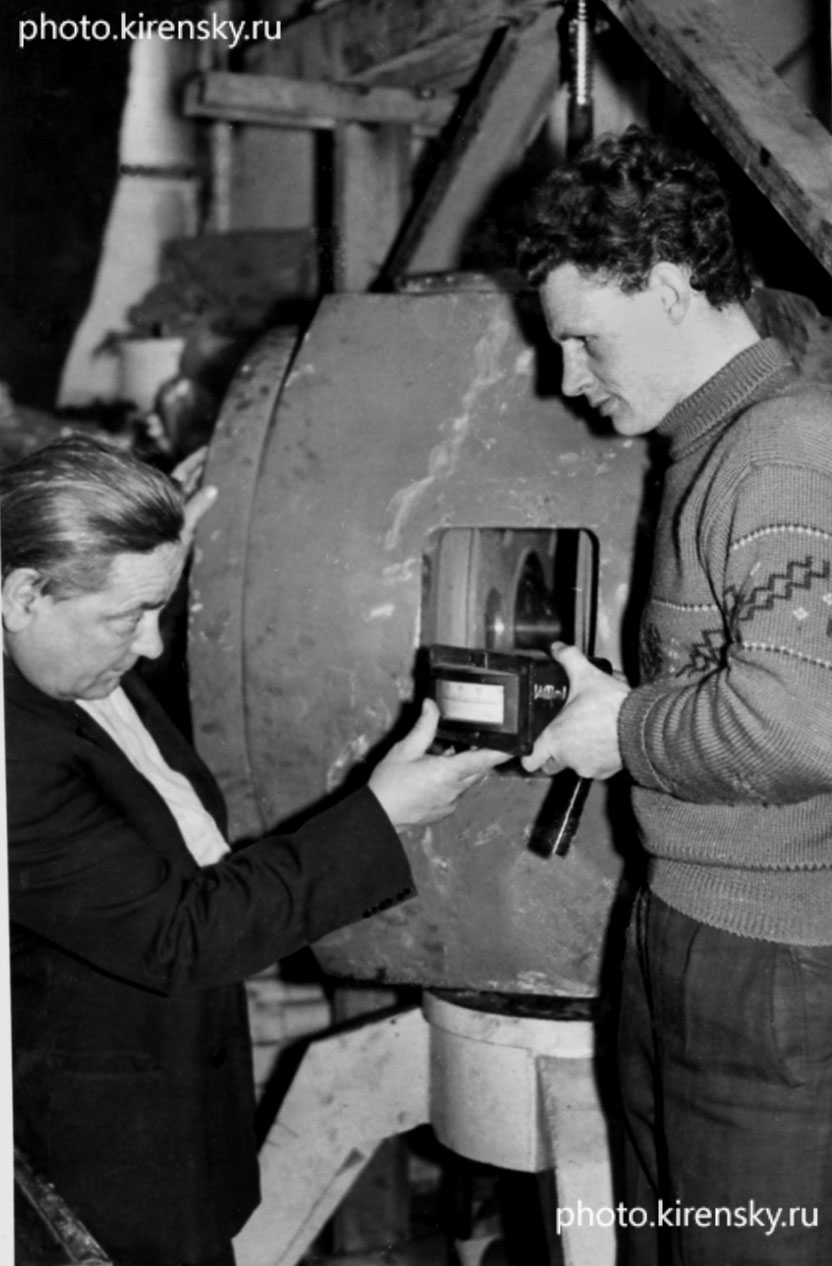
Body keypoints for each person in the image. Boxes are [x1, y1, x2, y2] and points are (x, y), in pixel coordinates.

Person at [2, 433, 507, 1266]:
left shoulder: (60, 655)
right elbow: (181, 935)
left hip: (167, 1120)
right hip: (97, 1173)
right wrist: (383, 815)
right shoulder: (11, 755)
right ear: (24, 594)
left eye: (160, 609)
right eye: (130, 616)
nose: (152, 644)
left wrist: (145, 541)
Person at [518, 125, 832, 1264]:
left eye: (582, 338)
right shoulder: (711, 443)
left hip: (770, 960)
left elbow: (800, 724)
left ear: (663, 287)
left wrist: (622, 727)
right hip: (691, 927)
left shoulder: (784, 448)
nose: (566, 377)